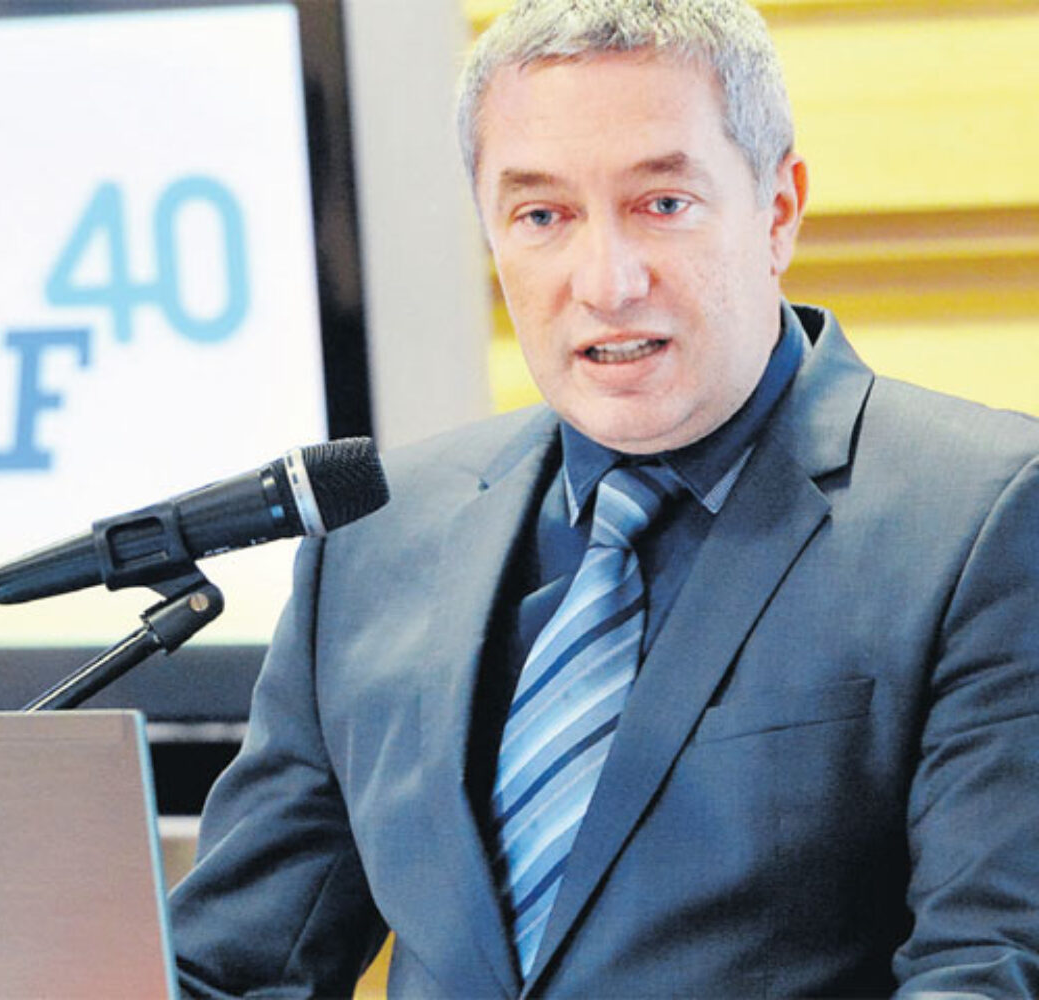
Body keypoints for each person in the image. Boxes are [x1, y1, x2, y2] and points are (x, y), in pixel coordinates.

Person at [167, 0, 1039, 996]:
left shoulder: (984, 516)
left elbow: (990, 965)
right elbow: (227, 967)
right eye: (542, 217)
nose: (607, 282)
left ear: (777, 211)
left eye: (662, 203)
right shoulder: (376, 537)